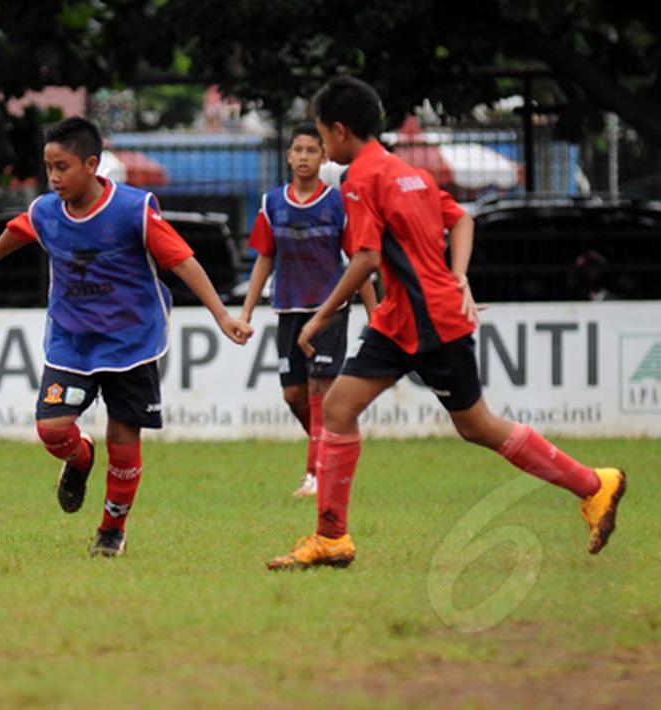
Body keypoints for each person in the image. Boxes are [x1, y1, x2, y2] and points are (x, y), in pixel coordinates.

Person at [266, 76, 625, 570]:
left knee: (478, 426)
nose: (322, 148)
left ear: (340, 131)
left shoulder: (363, 179)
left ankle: (593, 484)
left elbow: (367, 257)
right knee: (339, 407)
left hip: (430, 320)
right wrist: (458, 276)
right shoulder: (405, 171)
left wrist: (318, 319)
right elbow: (461, 220)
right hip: (401, 318)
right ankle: (331, 537)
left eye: (323, 137)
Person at [0, 117, 251, 557]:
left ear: (92, 165)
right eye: (49, 167)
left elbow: (183, 261)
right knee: (52, 429)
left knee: (124, 438)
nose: (54, 177)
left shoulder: (132, 210)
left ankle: (111, 530)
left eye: (63, 167)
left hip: (131, 344)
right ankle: (79, 458)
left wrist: (222, 315)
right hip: (71, 342)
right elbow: (22, 229)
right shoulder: (46, 210)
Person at [239, 123, 378, 497]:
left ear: (324, 156)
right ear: (288, 156)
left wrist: (374, 311)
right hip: (288, 307)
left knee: (321, 389)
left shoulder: (337, 203)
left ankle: (315, 475)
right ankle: (330, 450)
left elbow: (358, 261)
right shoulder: (272, 203)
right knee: (295, 396)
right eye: (298, 150)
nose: (304, 157)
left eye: (311, 150)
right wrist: (245, 313)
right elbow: (265, 256)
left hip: (329, 308)